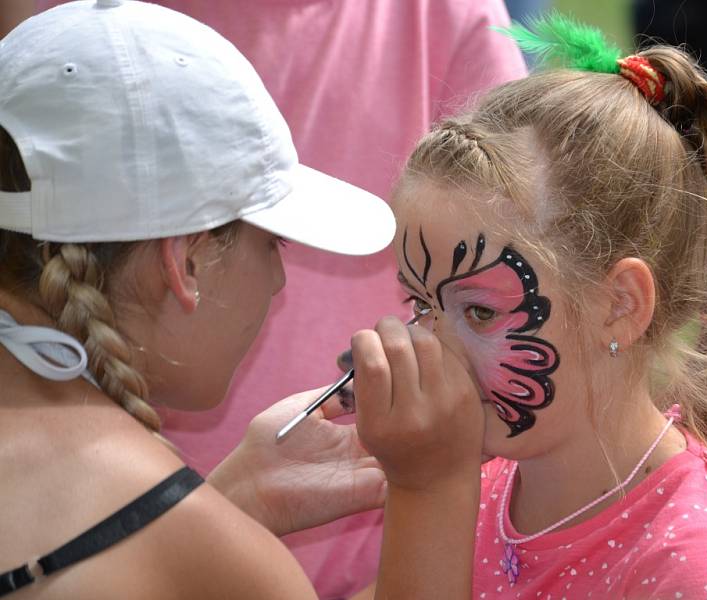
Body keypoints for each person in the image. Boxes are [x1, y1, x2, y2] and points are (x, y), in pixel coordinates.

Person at [28, 1, 528, 594]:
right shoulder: (238, 571)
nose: (280, 282)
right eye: (276, 245)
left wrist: (238, 495)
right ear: (185, 261)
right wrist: (431, 489)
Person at [388, 14, 707, 598]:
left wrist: (422, 492)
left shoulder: (702, 570)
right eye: (419, 302)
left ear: (621, 305)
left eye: (479, 312)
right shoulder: (475, 481)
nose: (426, 346)